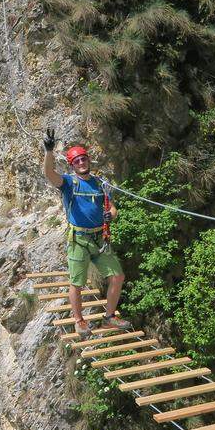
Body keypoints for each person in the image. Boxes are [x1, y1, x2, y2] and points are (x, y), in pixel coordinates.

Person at [43, 129, 130, 337]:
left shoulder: (100, 183)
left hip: (100, 238)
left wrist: (111, 215)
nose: (81, 163)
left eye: (83, 159)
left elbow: (112, 207)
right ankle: (79, 321)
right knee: (77, 283)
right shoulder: (68, 183)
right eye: (77, 161)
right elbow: (48, 173)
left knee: (117, 276)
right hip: (79, 239)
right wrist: (49, 151)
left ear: (88, 160)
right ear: (72, 165)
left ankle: (109, 317)